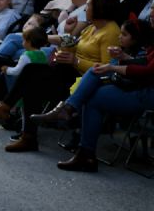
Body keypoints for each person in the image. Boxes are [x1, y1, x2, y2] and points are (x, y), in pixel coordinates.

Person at [0, 0, 122, 151]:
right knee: (31, 74)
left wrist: (76, 60)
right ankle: (21, 129)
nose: (85, 9)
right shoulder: (91, 28)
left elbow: (107, 69)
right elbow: (72, 43)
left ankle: (9, 112)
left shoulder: (111, 32)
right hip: (68, 72)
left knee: (31, 77)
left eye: (89, 6)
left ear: (100, 8)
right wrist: (64, 35)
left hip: (82, 81)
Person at [34, 19, 154, 171]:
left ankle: (73, 124)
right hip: (138, 85)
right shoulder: (90, 28)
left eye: (153, 18)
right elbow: (145, 63)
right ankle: (78, 139)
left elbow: (148, 71)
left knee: (93, 89)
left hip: (147, 92)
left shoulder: (109, 30)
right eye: (150, 17)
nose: (151, 22)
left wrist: (113, 67)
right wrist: (124, 58)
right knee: (93, 88)